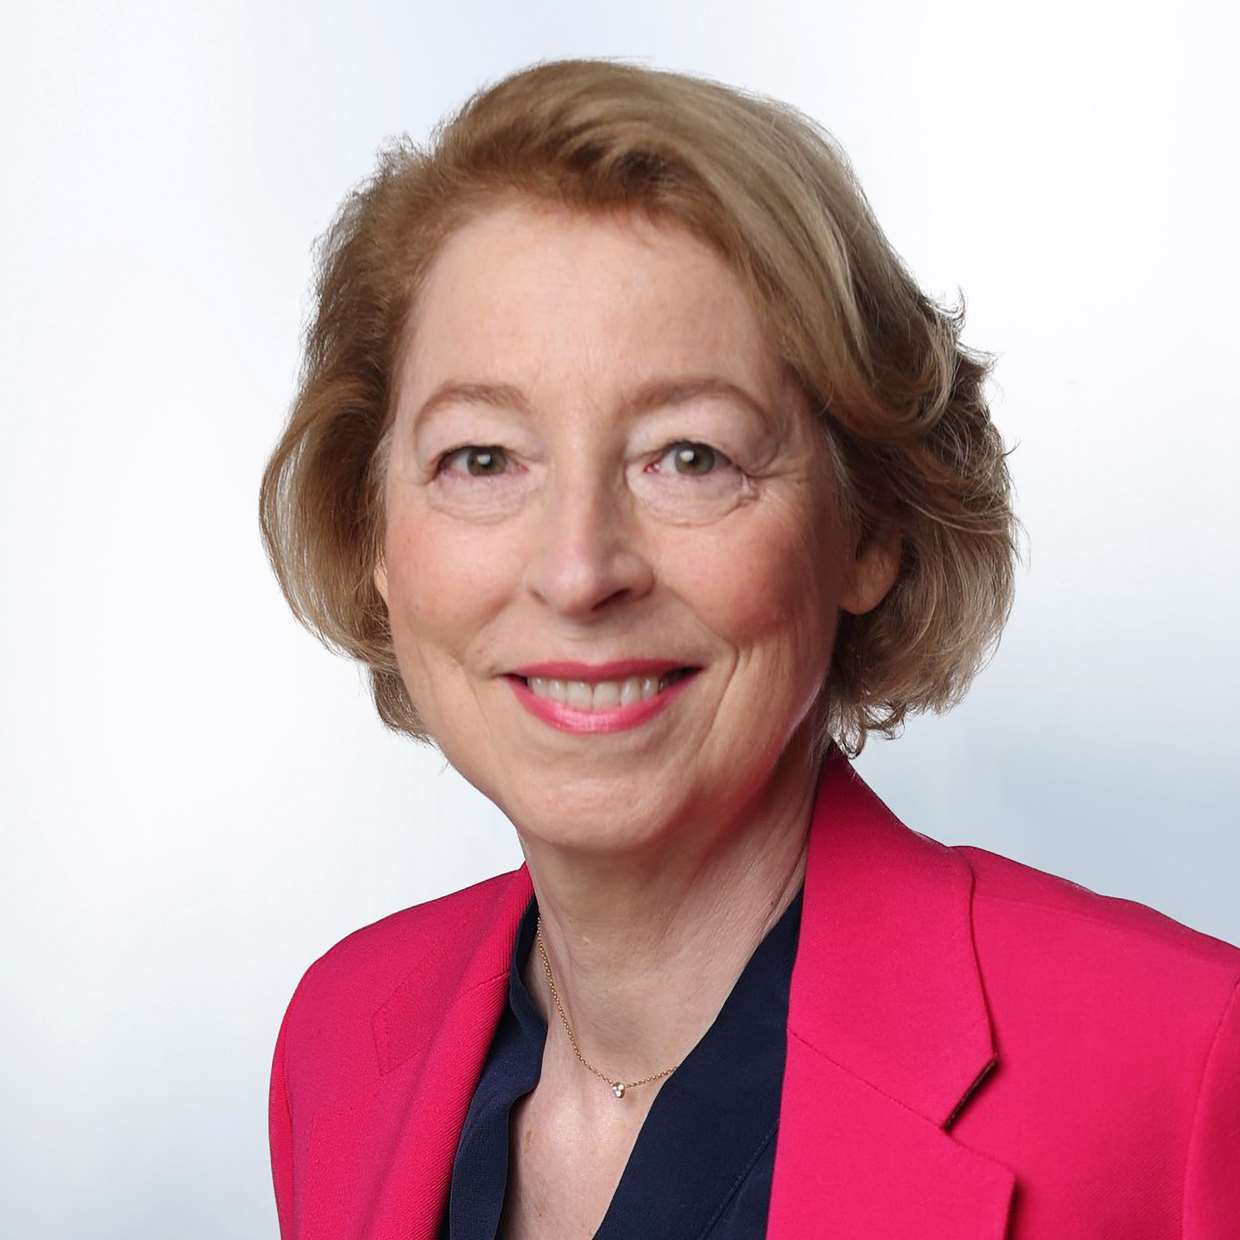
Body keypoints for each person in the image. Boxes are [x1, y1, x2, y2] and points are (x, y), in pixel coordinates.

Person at [258, 58, 1240, 1240]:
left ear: (867, 527)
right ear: (372, 529)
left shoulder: (1185, 1067)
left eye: (689, 457)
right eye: (481, 458)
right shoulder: (343, 1036)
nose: (578, 570)